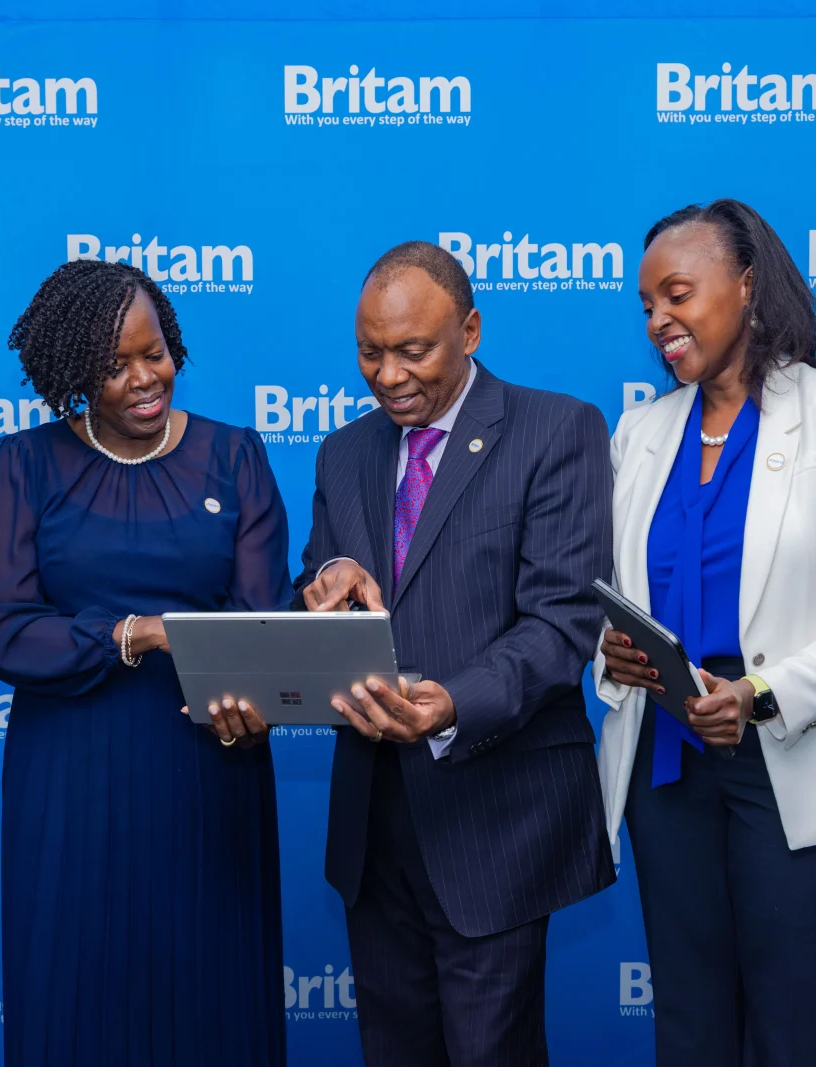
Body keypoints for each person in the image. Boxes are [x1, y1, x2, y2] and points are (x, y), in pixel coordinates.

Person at [595, 199, 816, 1067]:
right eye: (645, 306)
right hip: (666, 774)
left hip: (799, 772)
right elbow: (620, 602)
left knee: (797, 1038)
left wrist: (759, 694)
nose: (658, 320)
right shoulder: (640, 431)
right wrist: (617, 657)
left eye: (678, 293)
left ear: (746, 285)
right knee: (692, 1035)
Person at [296, 241, 616, 1066]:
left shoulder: (557, 429)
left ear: (469, 330)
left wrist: (453, 702)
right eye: (371, 351)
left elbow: (560, 622)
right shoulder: (344, 451)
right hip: (374, 826)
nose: (390, 374)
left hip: (494, 818)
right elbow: (323, 572)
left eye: (414, 350)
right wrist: (326, 577)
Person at [0, 258, 291, 1067]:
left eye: (155, 353)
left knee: (208, 998)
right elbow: (8, 630)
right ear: (72, 374)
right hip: (69, 778)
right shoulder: (24, 464)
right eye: (113, 367)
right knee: (76, 991)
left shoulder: (235, 457)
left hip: (206, 768)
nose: (144, 379)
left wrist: (258, 691)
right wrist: (138, 633)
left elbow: (262, 622)